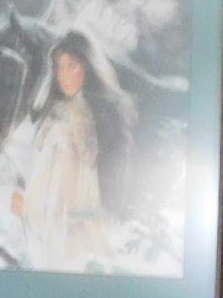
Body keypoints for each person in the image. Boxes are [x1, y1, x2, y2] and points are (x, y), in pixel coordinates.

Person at [11, 30, 134, 273]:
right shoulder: (57, 111)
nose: (64, 75)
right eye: (60, 68)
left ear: (88, 67)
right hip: (47, 225)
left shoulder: (95, 117)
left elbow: (72, 184)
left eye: (72, 66)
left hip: (74, 229)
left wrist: (29, 207)